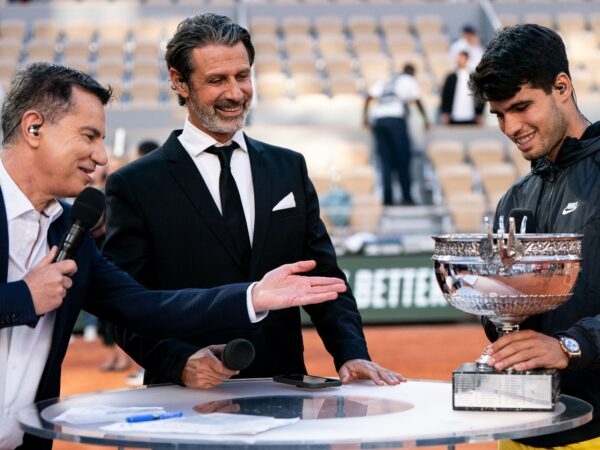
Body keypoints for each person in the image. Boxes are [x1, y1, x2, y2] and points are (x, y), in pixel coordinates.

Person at [0, 61, 347, 450]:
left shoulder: (69, 229)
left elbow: (143, 306)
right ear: (33, 128)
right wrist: (21, 299)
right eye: (89, 136)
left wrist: (252, 297)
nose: (101, 157)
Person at [103, 13, 404, 391]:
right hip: (186, 397)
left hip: (282, 389)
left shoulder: (287, 167)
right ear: (179, 81)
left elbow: (323, 276)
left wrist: (351, 352)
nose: (235, 93)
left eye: (242, 76)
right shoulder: (134, 184)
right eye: (216, 80)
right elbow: (123, 303)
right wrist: (178, 361)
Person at [469, 24, 600, 449]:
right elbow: (506, 322)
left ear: (561, 86)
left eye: (522, 106)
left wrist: (570, 346)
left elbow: (563, 341)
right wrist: (497, 309)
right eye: (499, 114)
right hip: (521, 428)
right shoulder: (515, 198)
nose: (510, 127)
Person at [362, 63, 430, 206]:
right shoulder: (408, 80)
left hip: (379, 121)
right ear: (411, 72)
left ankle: (388, 199)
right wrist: (425, 119)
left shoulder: (388, 80)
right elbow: (417, 100)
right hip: (395, 121)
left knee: (385, 161)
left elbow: (368, 97)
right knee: (403, 160)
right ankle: (406, 197)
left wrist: (365, 118)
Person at [440, 50, 484, 126]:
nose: (459, 60)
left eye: (461, 57)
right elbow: (446, 95)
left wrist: (479, 113)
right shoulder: (451, 77)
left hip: (471, 115)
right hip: (454, 115)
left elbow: (479, 94)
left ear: (466, 59)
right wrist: (446, 112)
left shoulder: (474, 76)